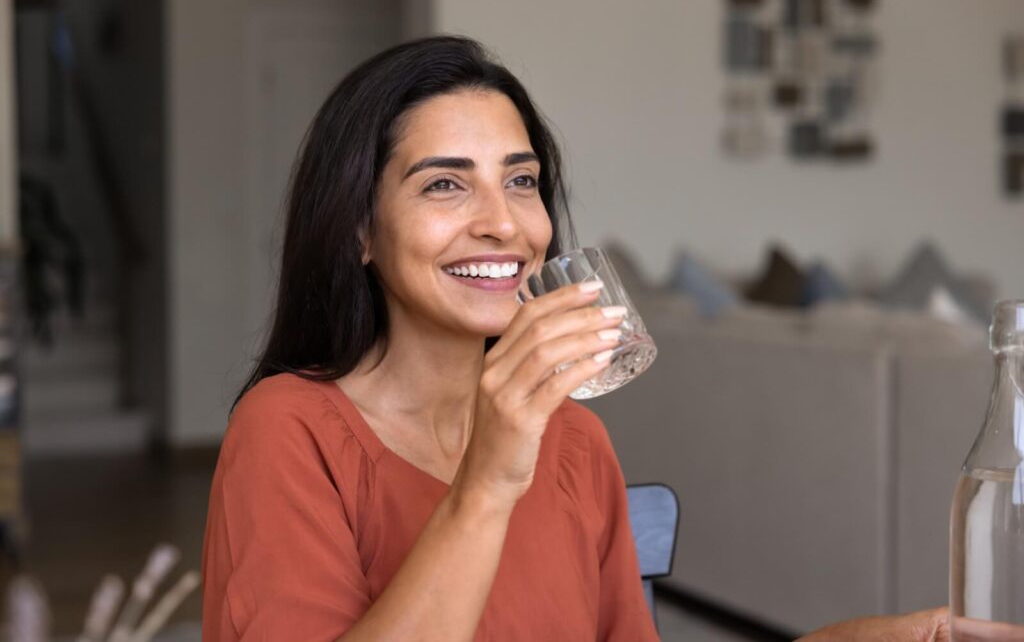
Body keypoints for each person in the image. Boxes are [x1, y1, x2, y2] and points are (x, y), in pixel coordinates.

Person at [202, 36, 952, 641]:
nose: (504, 222)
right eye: (445, 184)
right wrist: (489, 481)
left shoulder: (575, 441)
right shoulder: (288, 430)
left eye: (521, 181)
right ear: (361, 229)